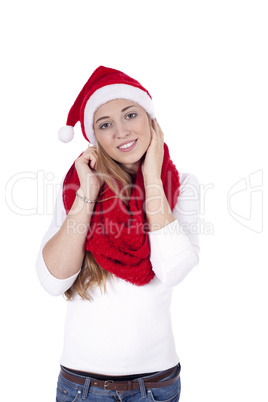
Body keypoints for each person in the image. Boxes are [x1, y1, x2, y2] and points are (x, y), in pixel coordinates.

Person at [36, 66, 200, 401]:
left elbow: (173, 271)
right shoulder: (75, 188)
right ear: (94, 137)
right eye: (105, 124)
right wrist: (88, 194)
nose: (121, 131)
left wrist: (152, 177)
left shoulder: (182, 187)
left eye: (130, 115)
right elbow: (53, 281)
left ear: (151, 121)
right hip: (80, 387)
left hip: (156, 386)